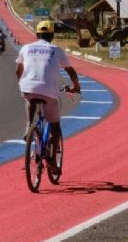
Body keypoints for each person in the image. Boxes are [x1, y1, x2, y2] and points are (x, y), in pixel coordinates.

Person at [15, 20, 81, 158]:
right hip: (48, 91)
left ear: (37, 34)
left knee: (30, 99)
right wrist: (76, 86)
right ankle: (52, 160)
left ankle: (28, 125)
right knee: (55, 126)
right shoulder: (56, 50)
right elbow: (71, 72)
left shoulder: (26, 48)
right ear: (52, 35)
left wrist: (22, 85)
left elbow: (18, 71)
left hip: (27, 87)